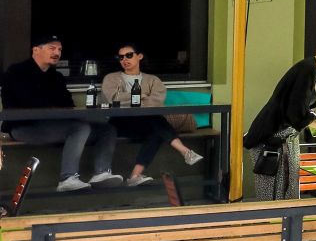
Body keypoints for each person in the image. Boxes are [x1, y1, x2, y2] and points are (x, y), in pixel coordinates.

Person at [243, 18, 316, 201]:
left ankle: (286, 229)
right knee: (272, 201)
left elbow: (304, 112)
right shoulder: (307, 69)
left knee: (288, 197)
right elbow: (296, 113)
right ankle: (275, 229)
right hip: (271, 141)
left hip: (285, 140)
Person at [3, 34, 120, 192]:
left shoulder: (56, 76)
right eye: (52, 48)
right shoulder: (16, 72)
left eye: (59, 49)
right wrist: (56, 110)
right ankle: (67, 178)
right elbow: (25, 103)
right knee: (80, 128)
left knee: (106, 129)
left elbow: (68, 105)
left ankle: (101, 173)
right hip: (25, 127)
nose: (57, 52)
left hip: (57, 125)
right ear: (36, 50)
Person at [103, 44, 203, 187]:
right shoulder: (111, 78)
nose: (124, 59)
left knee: (156, 128)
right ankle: (185, 151)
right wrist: (141, 95)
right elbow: (112, 98)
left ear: (140, 56)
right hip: (120, 123)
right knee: (156, 121)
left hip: (144, 123)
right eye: (121, 57)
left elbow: (157, 101)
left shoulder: (153, 80)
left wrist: (131, 99)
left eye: (129, 55)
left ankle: (134, 175)